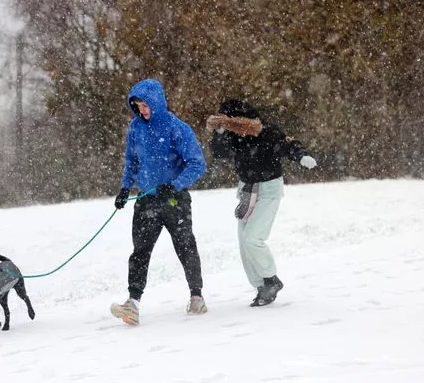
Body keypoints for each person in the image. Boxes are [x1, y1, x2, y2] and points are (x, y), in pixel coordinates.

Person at [110, 78, 208, 325]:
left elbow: (197, 163)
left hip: (175, 201)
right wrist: (124, 188)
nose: (142, 110)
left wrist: (174, 185)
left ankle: (196, 296)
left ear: (156, 102)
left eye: (145, 105)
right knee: (140, 252)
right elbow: (132, 162)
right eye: (138, 105)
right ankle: (132, 304)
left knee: (185, 247)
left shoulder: (177, 128)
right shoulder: (135, 129)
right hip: (146, 201)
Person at [206, 99, 317, 307]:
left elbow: (288, 144)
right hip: (247, 190)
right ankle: (262, 286)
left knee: (253, 238)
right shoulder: (231, 135)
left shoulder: (265, 131)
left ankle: (271, 279)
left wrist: (301, 156)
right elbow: (219, 153)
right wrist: (220, 131)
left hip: (269, 190)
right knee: (244, 244)